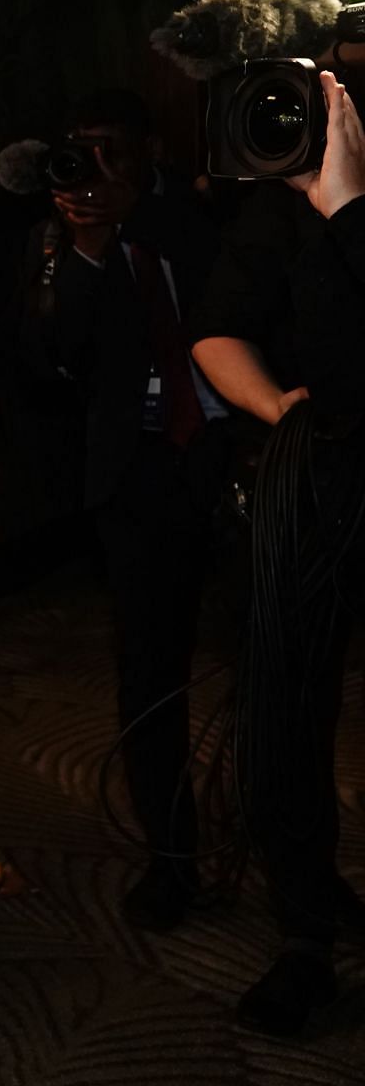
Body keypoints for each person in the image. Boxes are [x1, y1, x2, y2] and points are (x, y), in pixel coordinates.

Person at [15, 89, 231, 931]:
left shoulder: (206, 209)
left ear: (149, 151)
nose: (93, 167)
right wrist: (90, 249)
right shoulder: (62, 234)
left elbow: (236, 293)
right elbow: (50, 362)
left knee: (279, 665)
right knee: (149, 674)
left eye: (112, 148)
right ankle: (170, 856)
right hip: (137, 478)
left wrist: (136, 221)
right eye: (81, 147)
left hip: (235, 452)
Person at [190, 70, 365, 1035]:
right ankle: (306, 932)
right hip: (316, 487)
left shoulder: (342, 199)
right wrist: (277, 409)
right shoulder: (280, 197)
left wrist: (350, 207)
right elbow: (215, 329)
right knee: (283, 709)